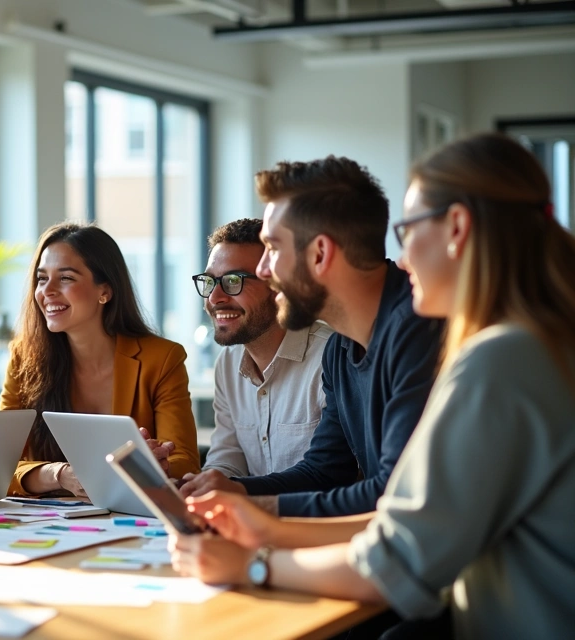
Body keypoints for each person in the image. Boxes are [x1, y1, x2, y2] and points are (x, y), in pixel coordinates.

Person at [173, 133, 575, 639]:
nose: (401, 258)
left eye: (407, 232)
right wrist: (257, 517)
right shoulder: (529, 343)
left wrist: (253, 561)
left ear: (456, 228)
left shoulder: (499, 358)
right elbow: (391, 507)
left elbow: (402, 554)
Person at [180, 156, 444, 517]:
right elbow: (323, 471)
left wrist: (252, 516)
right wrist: (234, 493)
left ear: (320, 253)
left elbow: (394, 494)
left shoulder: (419, 332)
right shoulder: (341, 349)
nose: (263, 271)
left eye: (272, 249)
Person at [0, 222, 198, 497]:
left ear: (104, 290)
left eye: (66, 278)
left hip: (130, 517)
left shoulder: (162, 358)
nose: (47, 291)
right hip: (46, 522)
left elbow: (185, 461)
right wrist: (59, 475)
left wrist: (151, 464)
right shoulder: (24, 359)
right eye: (42, 278)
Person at [180, 218, 332, 488]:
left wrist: (239, 491)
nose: (215, 298)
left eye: (233, 281)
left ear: (278, 286)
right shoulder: (227, 364)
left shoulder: (329, 357)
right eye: (209, 281)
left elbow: (329, 474)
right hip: (249, 522)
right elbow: (228, 458)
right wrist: (203, 486)